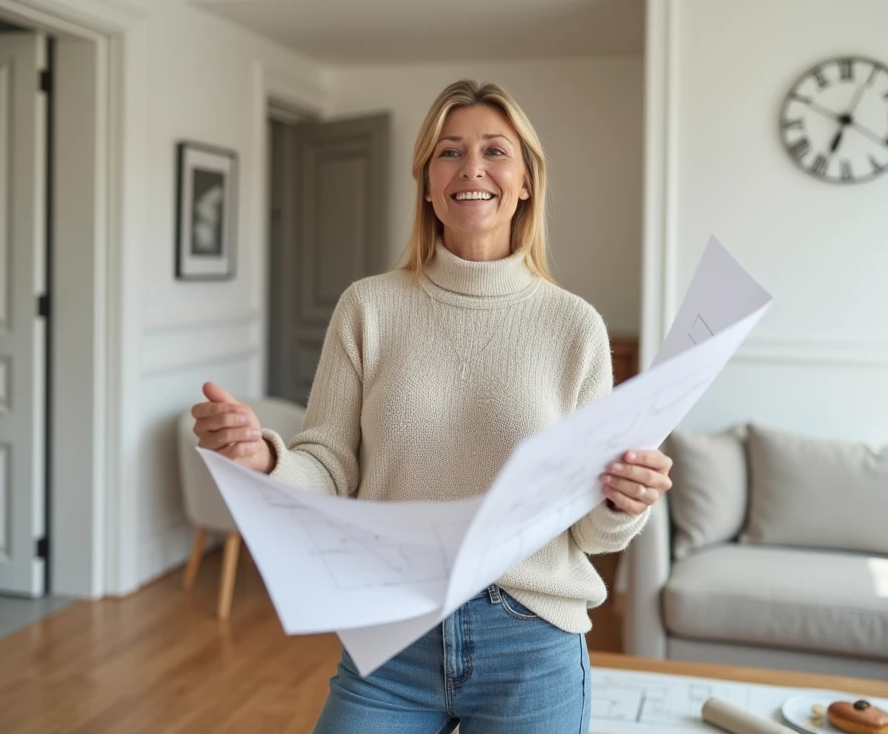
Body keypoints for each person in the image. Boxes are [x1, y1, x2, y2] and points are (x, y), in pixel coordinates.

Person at [191, 79, 673, 733]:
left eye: (495, 151)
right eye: (449, 152)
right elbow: (329, 465)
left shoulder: (574, 327)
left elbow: (588, 531)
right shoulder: (368, 308)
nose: (471, 168)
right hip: (391, 633)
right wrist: (263, 458)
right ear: (426, 183)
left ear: (526, 180)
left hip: (529, 643)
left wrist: (625, 500)